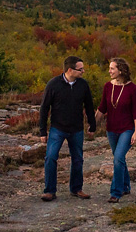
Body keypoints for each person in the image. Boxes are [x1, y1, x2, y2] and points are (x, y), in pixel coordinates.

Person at [39, 55, 96, 201]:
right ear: (70, 70)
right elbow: (44, 108)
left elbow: (89, 106)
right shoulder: (53, 84)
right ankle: (49, 190)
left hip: (76, 129)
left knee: (78, 159)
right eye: (80, 69)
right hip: (57, 128)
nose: (83, 71)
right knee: (51, 157)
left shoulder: (83, 85)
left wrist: (92, 124)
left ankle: (76, 188)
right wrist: (42, 131)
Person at [96, 57, 136, 203]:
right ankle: (126, 185)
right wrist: (92, 124)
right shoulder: (107, 87)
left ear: (120, 70)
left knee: (118, 158)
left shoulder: (132, 88)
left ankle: (116, 192)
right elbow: (102, 107)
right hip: (111, 130)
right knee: (120, 159)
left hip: (127, 129)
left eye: (112, 68)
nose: (109, 71)